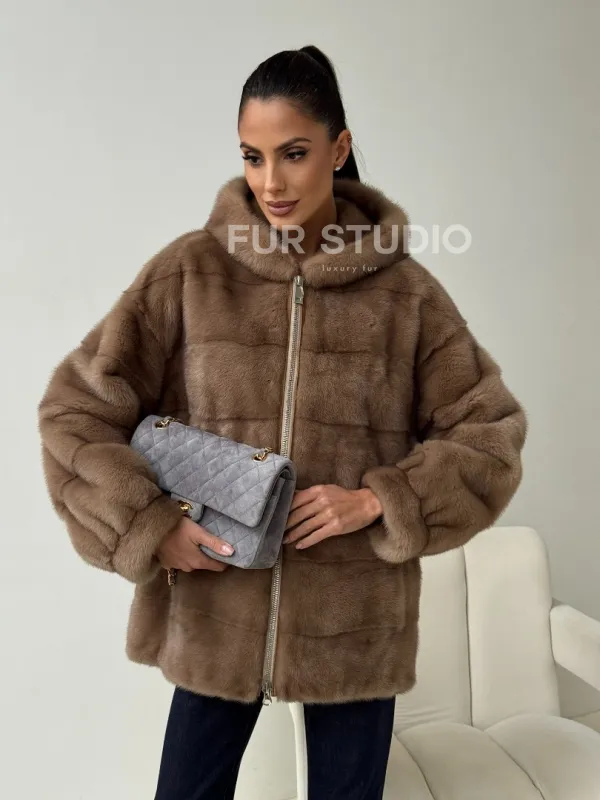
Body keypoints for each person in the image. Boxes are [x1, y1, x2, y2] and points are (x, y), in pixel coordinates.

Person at [37, 45, 527, 800]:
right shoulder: (191, 273)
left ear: (339, 147)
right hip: (215, 606)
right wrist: (148, 524)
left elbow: (489, 434)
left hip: (354, 623)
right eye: (253, 156)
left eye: (294, 154)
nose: (271, 181)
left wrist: (381, 500)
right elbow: (75, 411)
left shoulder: (407, 295)